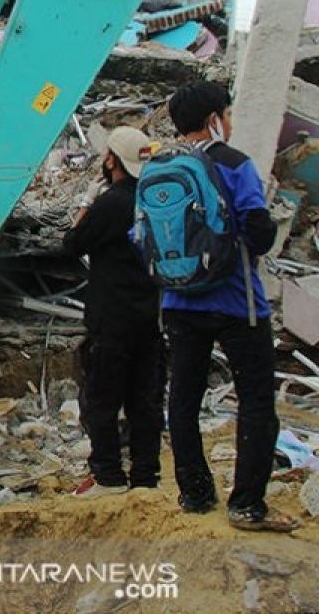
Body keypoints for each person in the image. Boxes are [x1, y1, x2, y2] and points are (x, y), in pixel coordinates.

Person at [160, 81, 298, 532]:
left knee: (183, 397)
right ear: (214, 119)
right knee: (257, 400)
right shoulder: (236, 165)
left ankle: (195, 494)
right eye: (228, 113)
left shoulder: (162, 167)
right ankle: (247, 505)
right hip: (237, 304)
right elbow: (259, 232)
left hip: (178, 301)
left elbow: (140, 238)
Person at [64, 126, 164, 498]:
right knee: (145, 400)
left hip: (111, 318)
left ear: (111, 160)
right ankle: (145, 476)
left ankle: (107, 476)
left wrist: (87, 205)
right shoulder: (157, 200)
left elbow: (72, 244)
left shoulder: (112, 203)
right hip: (151, 315)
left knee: (101, 399)